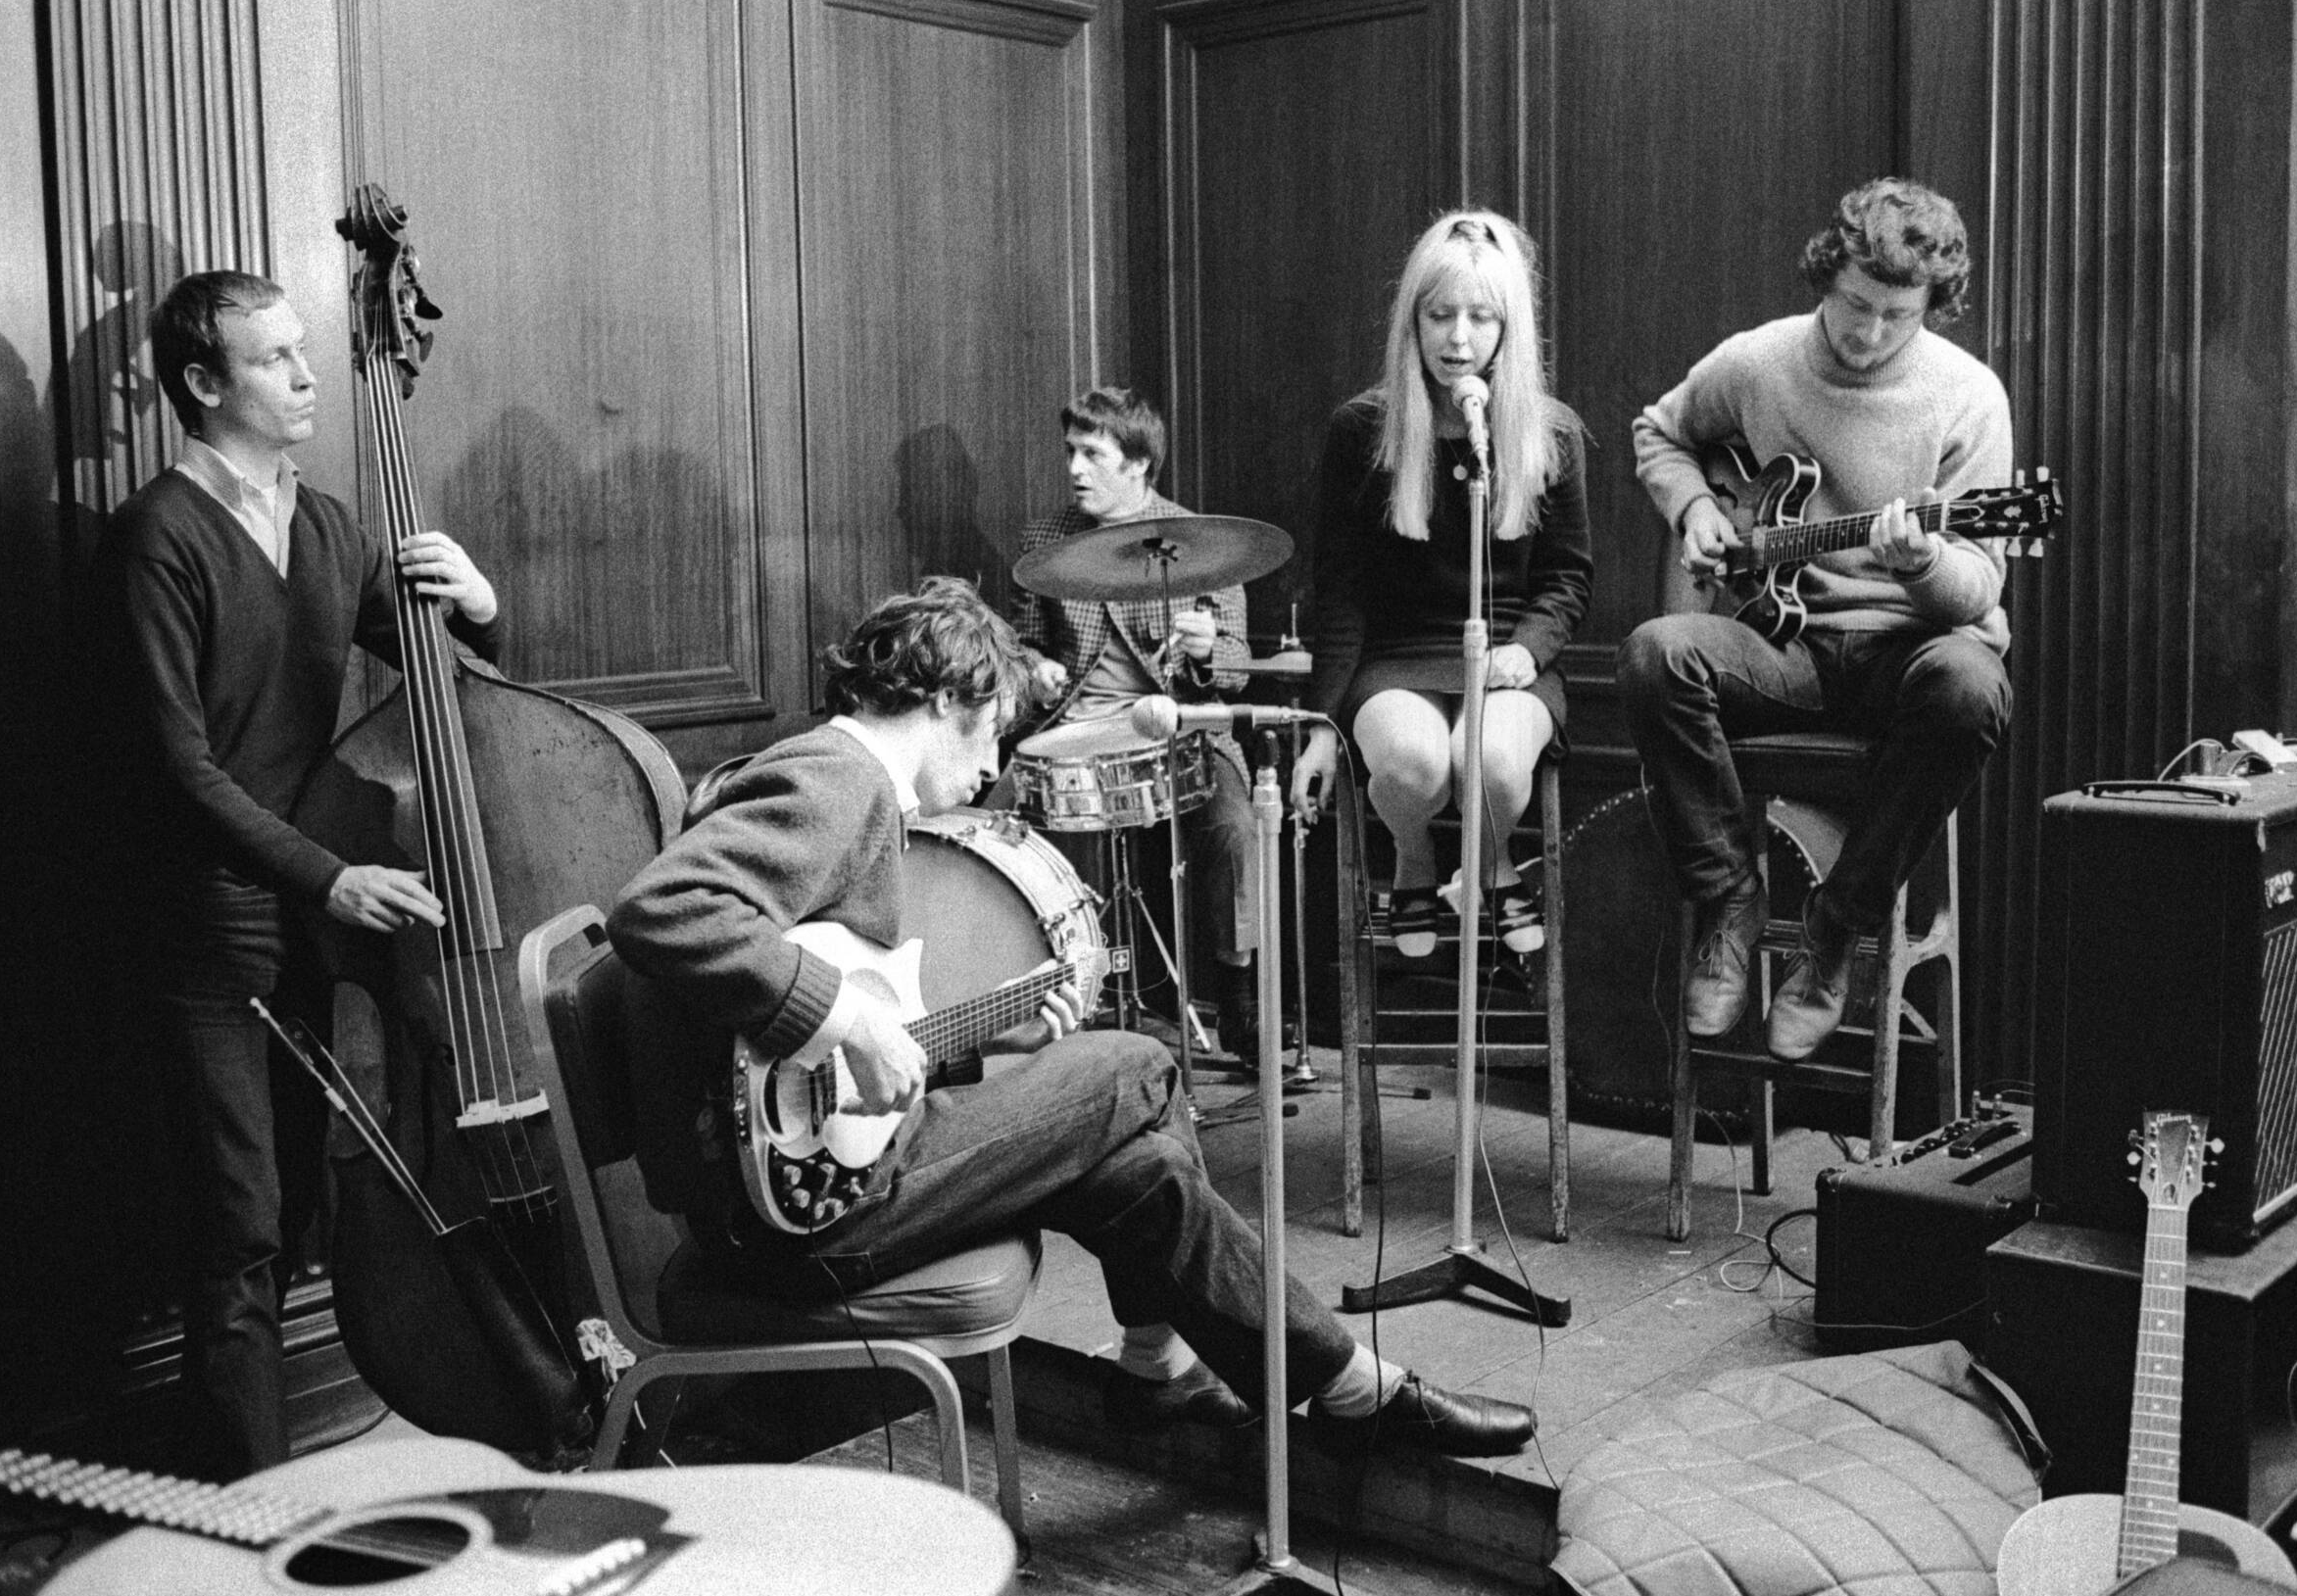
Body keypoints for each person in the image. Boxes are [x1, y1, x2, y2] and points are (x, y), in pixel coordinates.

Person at [608, 578, 1536, 1456]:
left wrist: (980, 1041)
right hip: (804, 1227)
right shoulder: (835, 780)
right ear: (944, 699)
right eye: (992, 734)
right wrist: (847, 1016)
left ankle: (1314, 1381)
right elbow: (662, 909)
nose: (989, 765)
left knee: (1139, 1175)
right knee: (1139, 1063)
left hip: (802, 1194)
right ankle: (1216, 1376)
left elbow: (826, 1074)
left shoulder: (835, 781)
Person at [85, 269, 503, 1478]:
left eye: (305, 351)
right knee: (241, 1229)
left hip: (315, 924)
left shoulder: (324, 524)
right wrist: (331, 878)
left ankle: (282, 1491)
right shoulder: (156, 535)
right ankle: (250, 1520)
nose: (310, 374)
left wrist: (477, 606)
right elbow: (178, 769)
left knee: (306, 1212)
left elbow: (444, 670)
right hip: (210, 934)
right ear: (205, 384)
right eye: (275, 359)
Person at [1616, 177, 2014, 1062]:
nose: (1869, 332)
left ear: (1932, 308)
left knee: (1972, 686)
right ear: (1825, 278)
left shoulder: (1969, 396)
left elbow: (1979, 590)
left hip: (1906, 657)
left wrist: (1923, 563)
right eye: (1854, 305)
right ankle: (1730, 894)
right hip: (1785, 644)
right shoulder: (1761, 362)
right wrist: (1695, 511)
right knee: (1654, 655)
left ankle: (1836, 930)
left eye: (1897, 315)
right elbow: (1659, 432)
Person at [1292, 212, 1593, 959]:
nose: (1458, 338)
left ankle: (1489, 865)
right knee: (1414, 763)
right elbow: (1341, 590)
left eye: (1480, 318)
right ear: (1412, 321)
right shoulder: (1361, 429)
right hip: (1398, 655)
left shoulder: (1549, 432)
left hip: (1510, 657)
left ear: (1508, 327)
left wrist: (1529, 648)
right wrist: (1321, 731)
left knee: (1488, 759)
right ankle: (1416, 856)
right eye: (1440, 315)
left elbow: (1567, 574)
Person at [1007, 388, 1261, 1053]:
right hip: (1078, 725)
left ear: (1140, 464)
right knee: (1001, 825)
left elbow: (1238, 664)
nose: (1075, 468)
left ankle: (1239, 1000)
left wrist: (1208, 650)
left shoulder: (1201, 540)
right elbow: (1019, 646)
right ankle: (1053, 1005)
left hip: (1179, 728)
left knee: (1238, 827)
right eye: (1071, 452)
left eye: (1093, 454)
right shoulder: (1046, 540)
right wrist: (1035, 668)